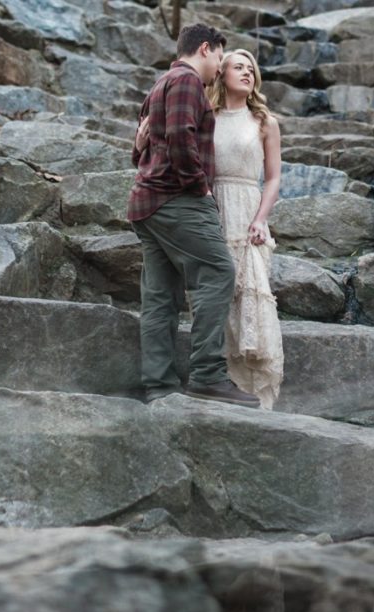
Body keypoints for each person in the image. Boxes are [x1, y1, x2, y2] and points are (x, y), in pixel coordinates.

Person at [129, 23, 261, 408]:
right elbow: (182, 140)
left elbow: (141, 152)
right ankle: (207, 375)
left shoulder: (159, 84)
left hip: (146, 204)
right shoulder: (187, 83)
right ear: (205, 49)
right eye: (220, 56)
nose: (220, 66)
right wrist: (199, 187)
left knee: (160, 297)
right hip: (177, 200)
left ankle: (158, 385)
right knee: (219, 272)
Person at [208, 49, 284, 409]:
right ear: (221, 74)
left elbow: (273, 178)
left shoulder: (264, 121)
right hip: (213, 207)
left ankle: (254, 390)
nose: (247, 73)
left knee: (250, 295)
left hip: (248, 209)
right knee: (219, 297)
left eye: (251, 68)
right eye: (238, 67)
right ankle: (220, 381)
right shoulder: (207, 116)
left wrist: (259, 218)